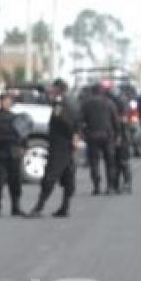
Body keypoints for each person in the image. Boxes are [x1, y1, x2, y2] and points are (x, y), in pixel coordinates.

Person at [27, 79, 81, 218]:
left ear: (57, 89)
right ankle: (65, 206)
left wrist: (72, 134)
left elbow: (62, 122)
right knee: (69, 176)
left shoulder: (61, 104)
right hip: (68, 144)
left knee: (50, 176)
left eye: (52, 89)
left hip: (60, 144)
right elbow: (77, 122)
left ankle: (39, 207)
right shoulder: (73, 101)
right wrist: (76, 136)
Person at [81, 83, 120, 195]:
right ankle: (110, 187)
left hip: (92, 136)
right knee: (110, 163)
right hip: (107, 136)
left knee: (94, 162)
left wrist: (83, 133)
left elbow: (80, 120)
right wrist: (117, 134)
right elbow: (115, 121)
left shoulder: (86, 104)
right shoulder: (109, 103)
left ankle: (97, 187)